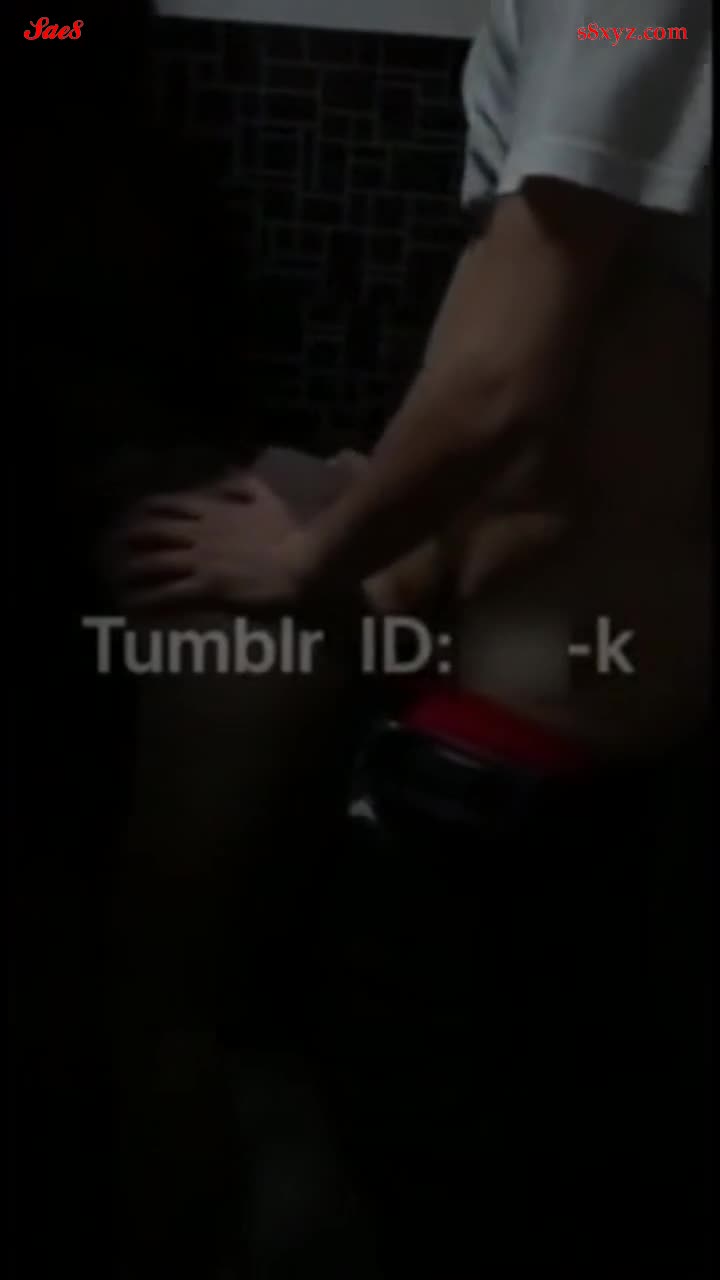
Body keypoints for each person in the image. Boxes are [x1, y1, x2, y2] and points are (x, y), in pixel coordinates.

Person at [110, 0, 711, 1272]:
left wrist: (307, 559)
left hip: (516, 760)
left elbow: (505, 381)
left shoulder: (621, 11)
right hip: (551, 733)